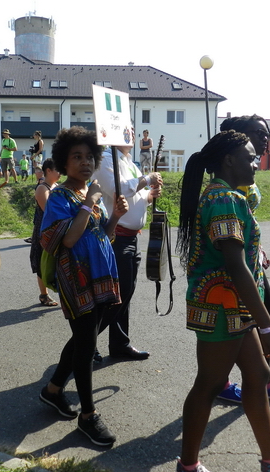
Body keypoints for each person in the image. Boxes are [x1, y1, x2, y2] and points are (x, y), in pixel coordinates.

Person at [174, 130, 270, 472]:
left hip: (234, 308)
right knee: (209, 384)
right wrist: (268, 327)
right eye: (250, 157)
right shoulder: (224, 199)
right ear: (228, 160)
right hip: (222, 308)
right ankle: (187, 468)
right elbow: (236, 267)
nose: (256, 163)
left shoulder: (227, 195)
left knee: (258, 375)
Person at [39, 126, 128, 447]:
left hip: (101, 276)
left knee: (83, 338)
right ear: (64, 162)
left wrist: (114, 217)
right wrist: (90, 202)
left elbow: (102, 233)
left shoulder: (88, 194)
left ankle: (52, 390)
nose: (85, 162)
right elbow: (68, 239)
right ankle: (88, 415)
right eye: (77, 157)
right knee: (86, 344)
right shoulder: (60, 196)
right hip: (77, 279)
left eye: (90, 156)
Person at [216, 114, 270, 404]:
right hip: (235, 264)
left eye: (266, 134)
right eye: (258, 133)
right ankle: (246, 381)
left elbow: (247, 222)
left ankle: (253, 380)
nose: (265, 139)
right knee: (255, 318)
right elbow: (230, 225)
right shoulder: (230, 181)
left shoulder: (245, 170)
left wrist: (258, 248)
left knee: (250, 320)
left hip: (249, 258)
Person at [92, 145, 162, 361]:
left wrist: (149, 195)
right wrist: (147, 179)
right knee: (112, 296)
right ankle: (86, 343)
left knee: (125, 294)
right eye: (127, 129)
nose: (131, 132)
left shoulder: (128, 161)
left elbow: (134, 197)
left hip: (131, 237)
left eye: (132, 129)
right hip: (116, 237)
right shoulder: (106, 159)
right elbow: (120, 189)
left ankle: (119, 343)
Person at [29, 159, 60, 306]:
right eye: (57, 170)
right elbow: (50, 211)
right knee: (43, 263)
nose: (60, 173)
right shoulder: (42, 188)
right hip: (44, 231)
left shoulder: (57, 186)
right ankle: (44, 295)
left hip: (57, 229)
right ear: (48, 171)